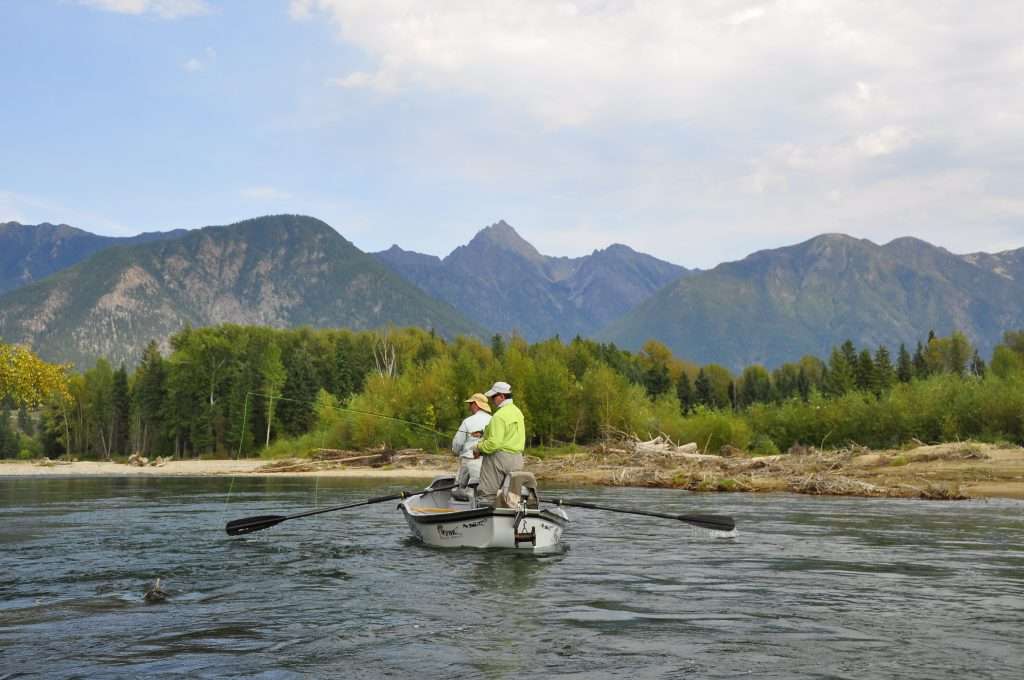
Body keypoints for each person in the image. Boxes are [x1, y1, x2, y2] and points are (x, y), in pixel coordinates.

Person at [473, 381, 525, 506]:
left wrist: (477, 447)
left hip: (498, 460)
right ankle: (510, 519)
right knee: (512, 498)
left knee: (487, 494)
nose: (491, 400)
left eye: (493, 397)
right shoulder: (518, 413)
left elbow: (493, 444)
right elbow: (507, 434)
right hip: (517, 459)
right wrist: (484, 432)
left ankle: (485, 519)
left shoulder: (499, 415)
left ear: (502, 396)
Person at [450, 393, 491, 501]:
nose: (469, 407)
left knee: (457, 490)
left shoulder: (468, 421)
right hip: (488, 462)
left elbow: (457, 443)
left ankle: (462, 507)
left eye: (470, 404)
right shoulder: (493, 420)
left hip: (469, 460)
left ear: (476, 404)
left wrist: (455, 451)